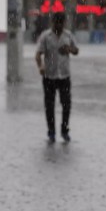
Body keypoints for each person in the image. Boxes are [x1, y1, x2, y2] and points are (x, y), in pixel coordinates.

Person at [35, 13, 79, 143]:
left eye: (61, 24)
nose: (58, 26)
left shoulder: (68, 35)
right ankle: (51, 132)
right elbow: (38, 54)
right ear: (52, 23)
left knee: (66, 105)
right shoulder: (45, 36)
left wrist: (69, 49)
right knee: (49, 106)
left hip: (64, 76)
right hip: (49, 76)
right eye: (56, 23)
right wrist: (41, 66)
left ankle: (64, 130)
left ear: (64, 23)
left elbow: (76, 51)